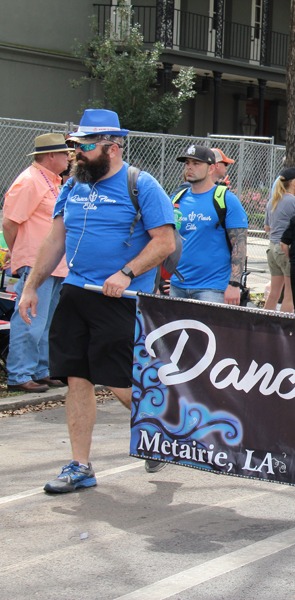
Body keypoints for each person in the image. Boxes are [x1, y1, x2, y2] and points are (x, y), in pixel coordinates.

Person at [18, 109, 176, 493]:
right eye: (74, 146)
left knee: (120, 380)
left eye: (83, 147)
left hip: (121, 298)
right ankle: (80, 466)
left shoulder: (142, 184)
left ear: (112, 148)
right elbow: (55, 240)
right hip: (75, 292)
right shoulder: (73, 186)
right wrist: (31, 286)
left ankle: (162, 428)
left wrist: (126, 273)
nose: (75, 154)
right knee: (77, 378)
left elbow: (165, 242)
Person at [2, 133, 71, 392]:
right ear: (51, 156)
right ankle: (19, 374)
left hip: (55, 263)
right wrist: (18, 251)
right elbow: (9, 222)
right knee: (31, 319)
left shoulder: (52, 181)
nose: (69, 157)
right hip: (37, 262)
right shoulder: (29, 181)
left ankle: (40, 369)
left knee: (46, 320)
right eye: (65, 153)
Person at [169, 145, 248, 304]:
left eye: (196, 163)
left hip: (212, 288)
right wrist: (163, 278)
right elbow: (166, 242)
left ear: (211, 168)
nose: (190, 167)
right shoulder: (177, 199)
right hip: (177, 286)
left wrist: (234, 284)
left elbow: (239, 246)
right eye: (187, 163)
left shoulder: (226, 199)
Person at [263, 167, 295, 312]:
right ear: (294, 183)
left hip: (272, 248)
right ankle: (283, 329)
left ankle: (264, 324)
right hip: (287, 249)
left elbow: (267, 228)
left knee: (274, 293)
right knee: (290, 294)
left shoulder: (273, 201)